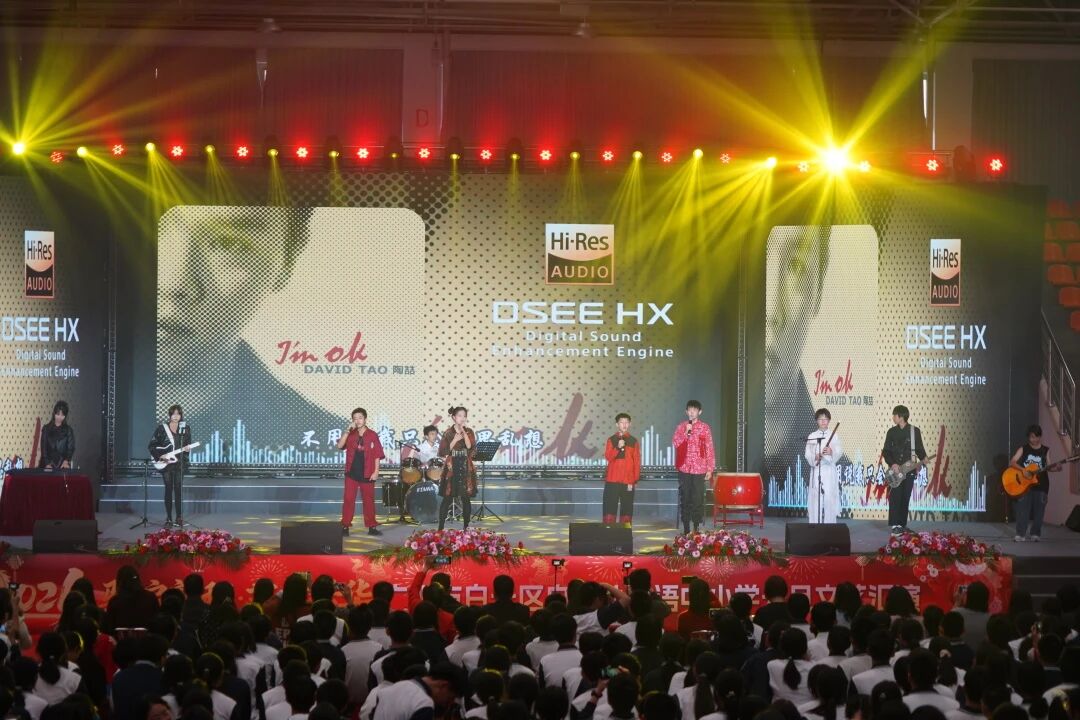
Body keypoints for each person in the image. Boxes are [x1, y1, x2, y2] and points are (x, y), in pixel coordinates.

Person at [335, 408, 384, 536]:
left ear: (365, 419)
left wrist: (376, 471)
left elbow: (377, 454)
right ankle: (345, 526)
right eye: (355, 418)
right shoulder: (351, 434)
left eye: (360, 418)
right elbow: (339, 446)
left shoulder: (372, 435)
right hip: (351, 472)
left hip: (367, 472)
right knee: (348, 499)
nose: (357, 421)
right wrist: (347, 431)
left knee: (368, 500)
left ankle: (371, 527)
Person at [880, 405, 926, 535]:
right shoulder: (891, 432)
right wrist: (892, 463)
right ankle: (895, 526)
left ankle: (902, 524)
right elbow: (886, 451)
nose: (893, 417)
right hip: (895, 471)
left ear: (900, 417)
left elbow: (919, 449)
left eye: (894, 415)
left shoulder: (914, 431)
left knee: (906, 497)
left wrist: (924, 459)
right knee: (895, 497)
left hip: (909, 469)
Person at [671, 400, 716, 534]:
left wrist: (710, 468)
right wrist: (686, 432)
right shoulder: (681, 426)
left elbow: (709, 448)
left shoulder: (705, 428)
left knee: (697, 499)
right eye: (689, 410)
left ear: (699, 412)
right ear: (686, 412)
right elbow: (675, 443)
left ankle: (696, 527)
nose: (692, 412)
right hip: (684, 468)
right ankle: (686, 528)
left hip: (699, 468)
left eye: (694, 410)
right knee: (685, 498)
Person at [148, 404, 193, 527]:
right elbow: (152, 445)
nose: (176, 416)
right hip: (167, 464)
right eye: (174, 414)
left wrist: (187, 449)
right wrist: (160, 456)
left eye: (178, 414)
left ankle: (179, 517)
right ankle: (168, 518)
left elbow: (187, 445)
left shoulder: (186, 428)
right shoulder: (162, 428)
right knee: (168, 489)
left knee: (178, 490)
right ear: (170, 415)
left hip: (179, 463)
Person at [1009, 424, 1051, 542]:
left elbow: (1049, 466)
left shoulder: (1046, 450)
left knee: (1039, 511)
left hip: (1041, 484)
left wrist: (1055, 468)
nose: (1034, 439)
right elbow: (1012, 462)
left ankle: (1035, 534)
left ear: (1040, 437)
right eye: (1031, 437)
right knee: (1022, 510)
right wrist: (1023, 470)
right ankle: (1020, 534)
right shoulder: (1024, 448)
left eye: (1036, 437)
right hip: (1025, 484)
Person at [437, 407, 476, 531]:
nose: (462, 418)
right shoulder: (448, 432)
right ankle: (440, 528)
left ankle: (466, 528)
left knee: (466, 499)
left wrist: (463, 432)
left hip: (465, 466)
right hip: (452, 466)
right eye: (459, 415)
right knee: (447, 498)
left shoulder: (469, 431)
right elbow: (443, 451)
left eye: (464, 416)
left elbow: (470, 447)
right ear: (454, 417)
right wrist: (455, 439)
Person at [602, 414, 641, 526]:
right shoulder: (611, 440)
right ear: (617, 424)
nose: (624, 425)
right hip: (612, 480)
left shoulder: (633, 441)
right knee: (610, 507)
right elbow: (608, 457)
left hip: (628, 480)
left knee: (627, 508)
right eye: (621, 422)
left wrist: (635, 479)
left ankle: (625, 532)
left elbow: (637, 461)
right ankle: (609, 531)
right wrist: (618, 447)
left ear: (630, 424)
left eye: (626, 422)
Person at [805, 409, 842, 524]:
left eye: (825, 419)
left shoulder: (834, 436)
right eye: (820, 419)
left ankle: (829, 527)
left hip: (829, 471)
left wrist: (831, 451)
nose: (823, 421)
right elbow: (807, 454)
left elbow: (839, 452)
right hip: (817, 470)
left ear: (829, 420)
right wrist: (815, 457)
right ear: (817, 420)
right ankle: (814, 526)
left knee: (829, 499)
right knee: (815, 499)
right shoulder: (812, 436)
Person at [38, 401, 75, 470]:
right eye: (58, 414)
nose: (59, 417)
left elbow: (70, 448)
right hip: (47, 464)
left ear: (65, 416)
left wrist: (66, 461)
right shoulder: (46, 429)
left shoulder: (68, 430)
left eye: (62, 415)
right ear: (54, 413)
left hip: (63, 465)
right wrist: (47, 463)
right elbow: (44, 449)